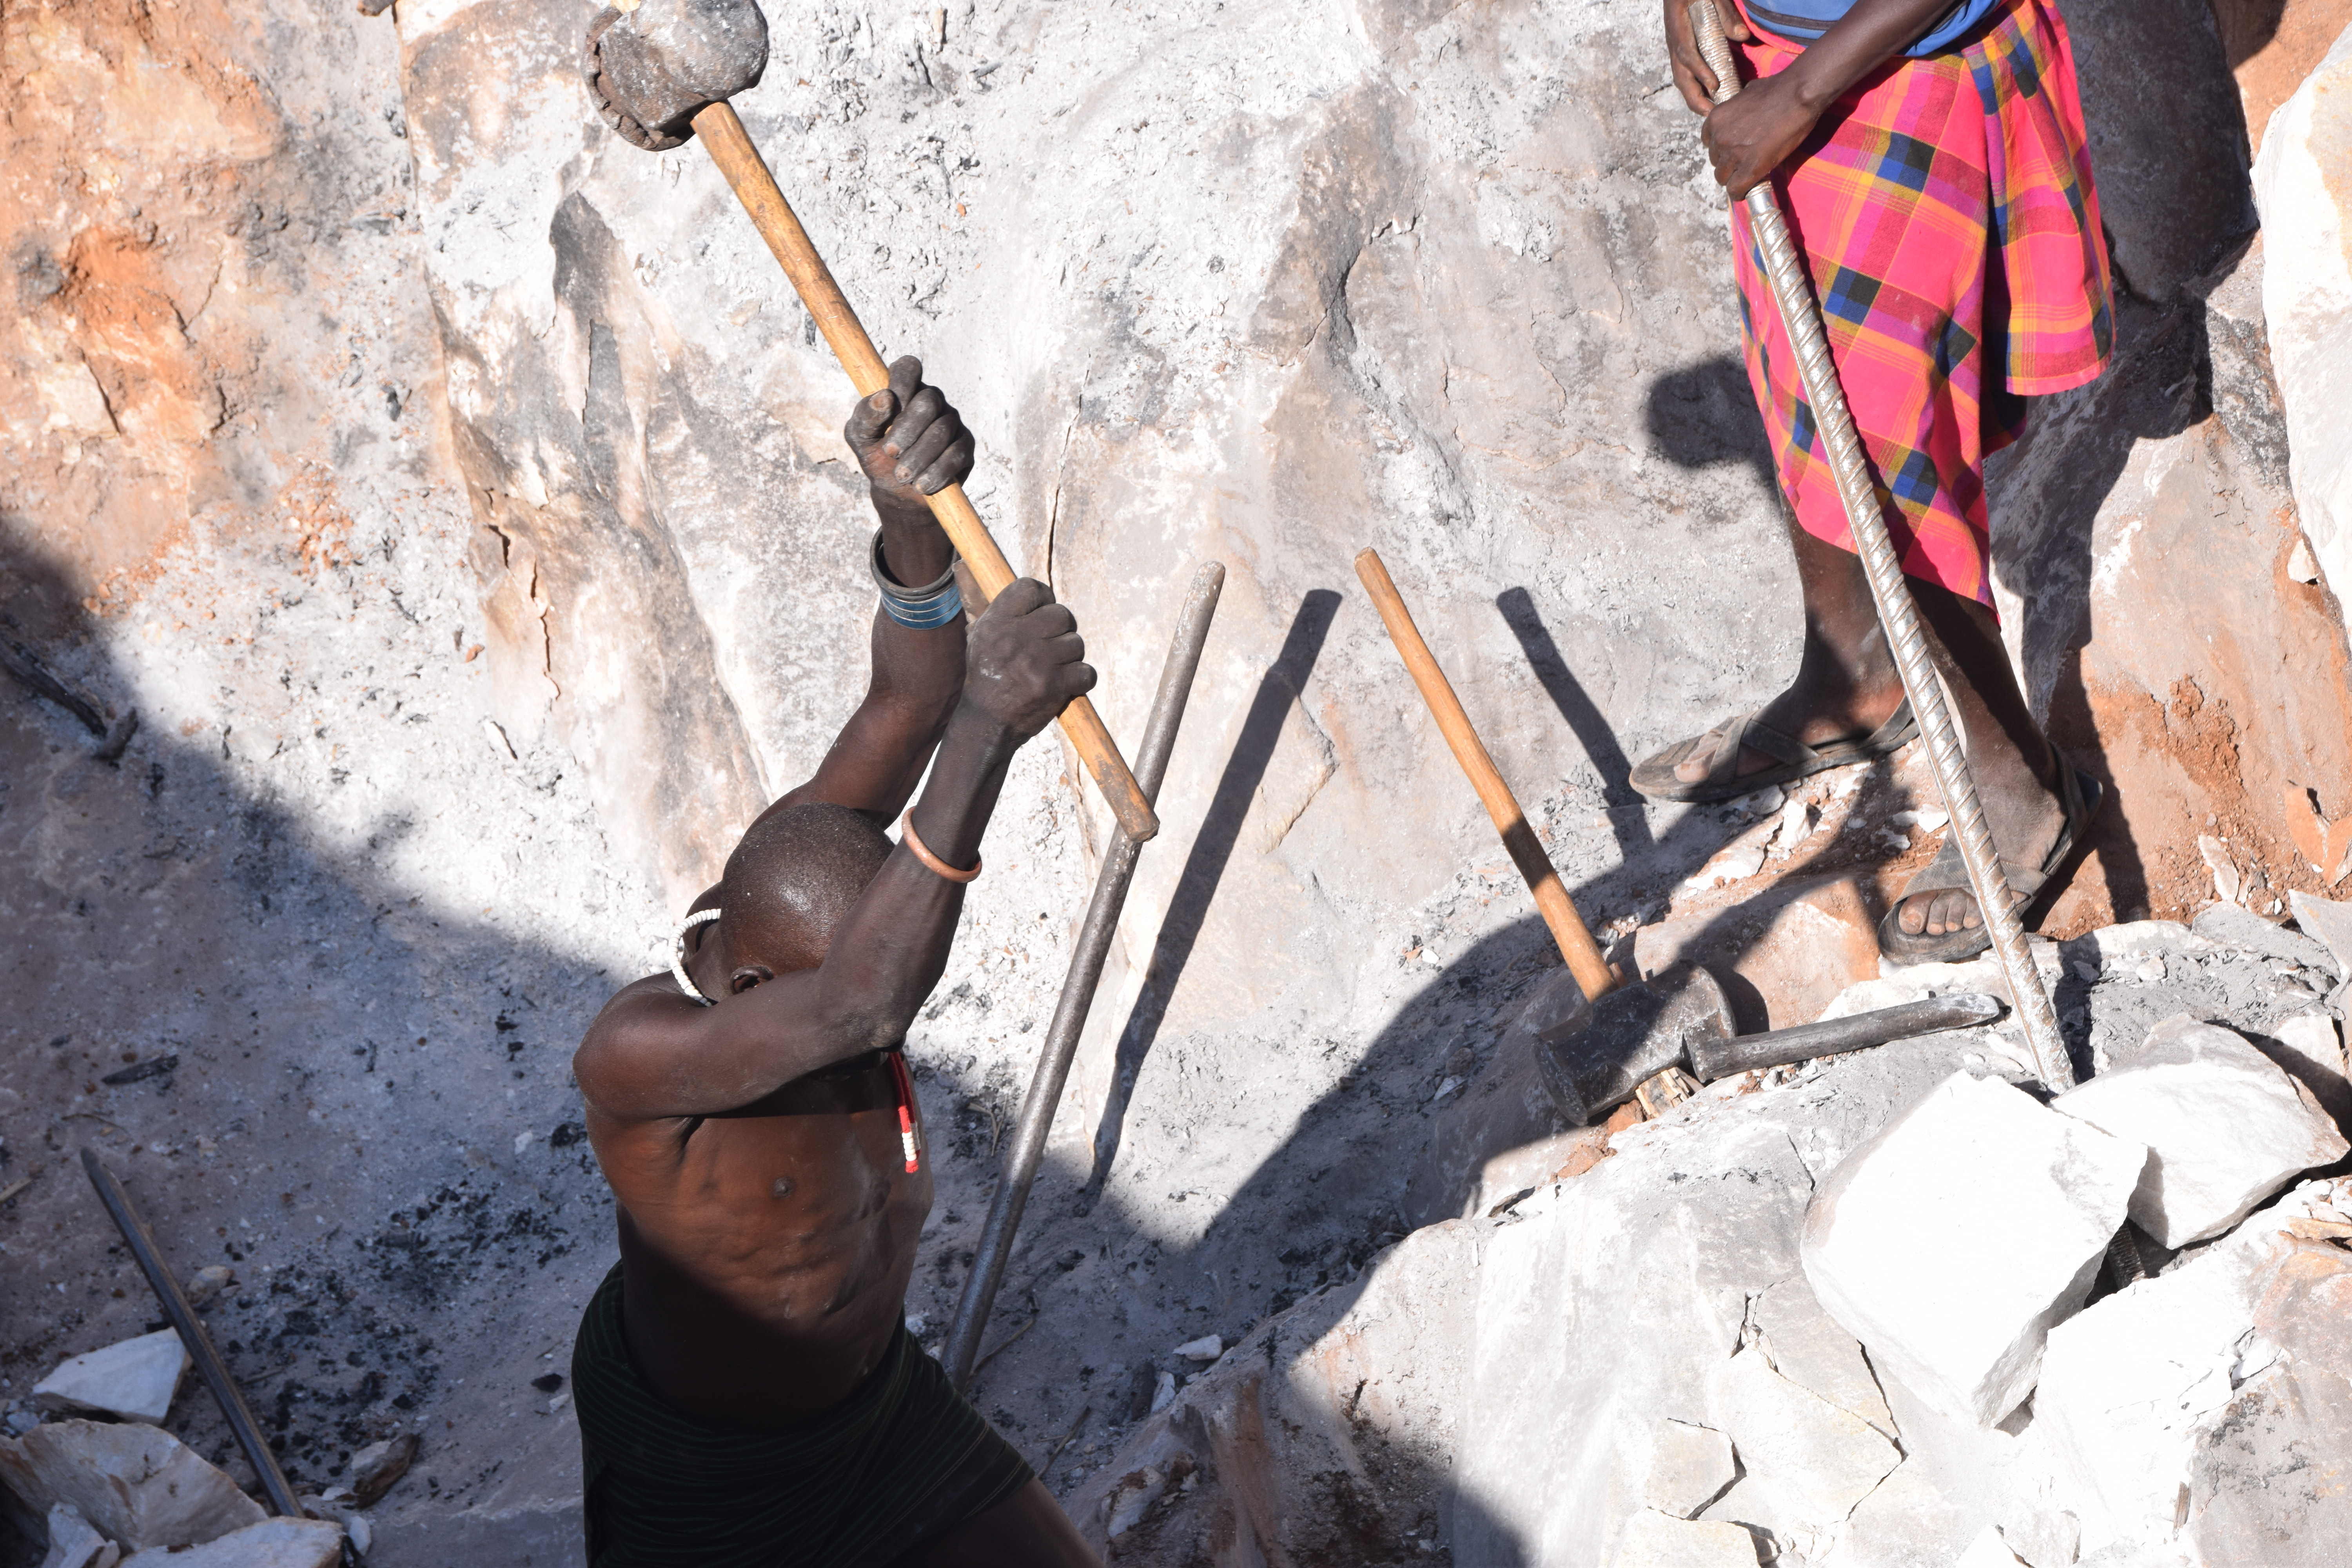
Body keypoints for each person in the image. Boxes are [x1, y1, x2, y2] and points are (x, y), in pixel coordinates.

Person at [569, 358, 1101, 1567]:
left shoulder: (794, 862)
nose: (897, 1025)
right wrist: (992, 727)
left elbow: (906, 705)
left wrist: (909, 519)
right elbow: (864, 999)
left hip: (880, 1410)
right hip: (713, 1481)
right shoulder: (642, 1057)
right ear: (753, 990)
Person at [1638, 0, 2112, 959]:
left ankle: (2022, 784)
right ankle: (1856, 673)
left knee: (1892, 460)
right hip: (1786, 63)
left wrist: (1808, 90)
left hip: (1900, 65)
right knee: (1803, 378)